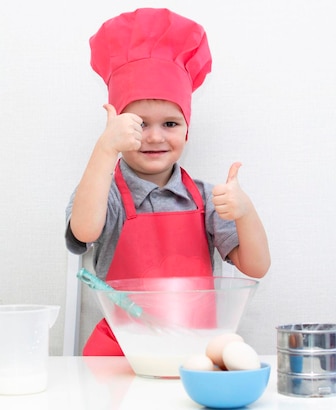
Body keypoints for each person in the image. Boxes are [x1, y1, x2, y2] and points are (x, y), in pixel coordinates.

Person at [65, 8, 270, 356]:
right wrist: (104, 149)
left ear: (187, 128)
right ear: (117, 126)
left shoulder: (206, 198)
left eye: (170, 124)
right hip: (119, 353)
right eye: (139, 123)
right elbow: (84, 231)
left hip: (192, 352)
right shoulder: (104, 193)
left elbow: (257, 266)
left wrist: (246, 212)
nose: (154, 136)